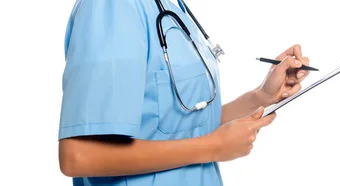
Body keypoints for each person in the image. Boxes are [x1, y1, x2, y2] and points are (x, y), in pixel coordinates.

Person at [57, 0, 310, 185]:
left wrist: (261, 96)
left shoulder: (170, 5)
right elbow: (80, 156)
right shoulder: (114, 7)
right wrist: (212, 146)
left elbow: (177, 124)